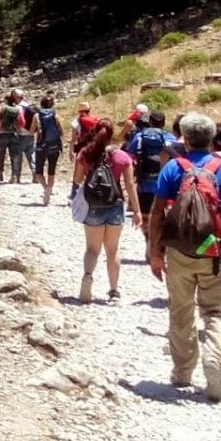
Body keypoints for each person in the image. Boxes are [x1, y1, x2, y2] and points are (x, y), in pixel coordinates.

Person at [145, 112, 221, 403]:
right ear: (211, 138)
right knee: (215, 311)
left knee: (181, 310)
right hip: (213, 249)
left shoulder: (173, 169)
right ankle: (214, 360)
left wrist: (155, 250)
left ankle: (182, 371)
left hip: (179, 250)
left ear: (185, 139)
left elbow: (156, 212)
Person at [71, 119, 141, 303]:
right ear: (112, 135)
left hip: (93, 205)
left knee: (92, 249)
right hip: (115, 205)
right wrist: (137, 211)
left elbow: (77, 179)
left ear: (94, 132)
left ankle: (87, 276)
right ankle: (113, 291)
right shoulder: (122, 157)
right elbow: (130, 185)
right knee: (113, 250)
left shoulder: (86, 153)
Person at [124, 106, 175, 219]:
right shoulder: (170, 138)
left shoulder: (140, 137)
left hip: (144, 185)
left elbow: (129, 157)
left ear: (150, 122)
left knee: (146, 218)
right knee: (163, 218)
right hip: (164, 185)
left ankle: (148, 236)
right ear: (163, 123)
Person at [32, 95, 63, 205]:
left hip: (41, 146)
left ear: (41, 103)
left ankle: (46, 189)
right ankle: (49, 190)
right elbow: (60, 129)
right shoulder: (55, 114)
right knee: (51, 171)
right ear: (52, 104)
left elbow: (31, 131)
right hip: (54, 145)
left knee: (38, 172)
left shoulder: (37, 115)